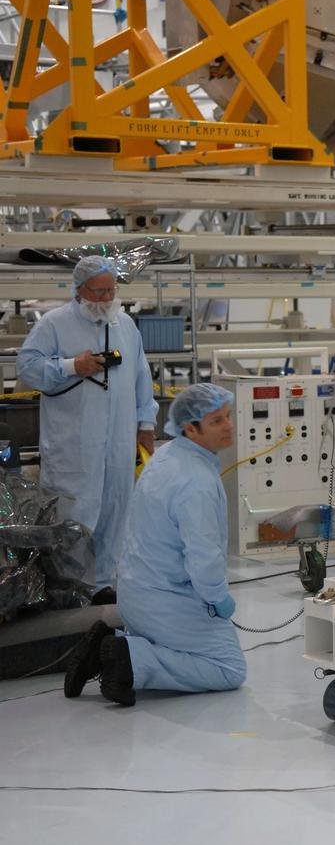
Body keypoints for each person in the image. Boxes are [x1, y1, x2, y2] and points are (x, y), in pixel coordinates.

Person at [62, 384, 246, 706]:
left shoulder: (166, 456)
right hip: (167, 602)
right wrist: (218, 598)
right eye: (217, 421)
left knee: (200, 648)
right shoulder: (197, 483)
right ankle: (130, 660)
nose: (229, 426)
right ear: (191, 427)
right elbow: (204, 560)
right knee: (228, 667)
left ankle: (109, 642)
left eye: (228, 416)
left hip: (135, 595)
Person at [17, 256, 158, 593]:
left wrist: (147, 425)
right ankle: (70, 590)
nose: (106, 299)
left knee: (115, 514)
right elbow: (28, 368)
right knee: (73, 518)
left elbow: (141, 376)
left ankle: (106, 588)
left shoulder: (125, 325)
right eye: (98, 292)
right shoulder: (53, 324)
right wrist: (70, 366)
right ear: (79, 290)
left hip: (119, 445)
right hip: (74, 449)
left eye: (111, 291)